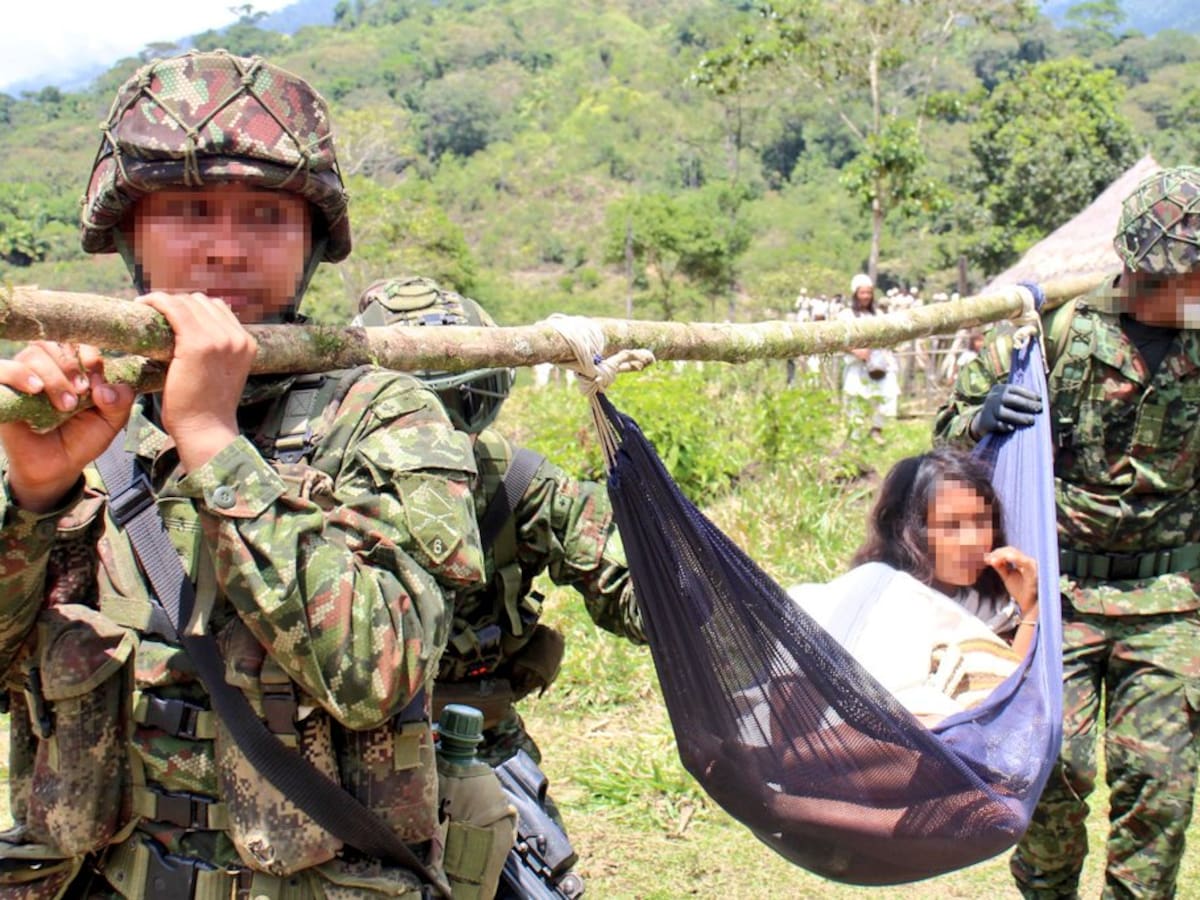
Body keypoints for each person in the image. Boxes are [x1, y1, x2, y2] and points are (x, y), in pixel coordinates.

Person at [0, 51, 493, 899]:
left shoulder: (384, 416)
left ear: (310, 244)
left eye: (266, 217)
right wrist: (36, 498)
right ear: (129, 233)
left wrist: (209, 439)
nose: (225, 250)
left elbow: (380, 674)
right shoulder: (80, 407)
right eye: (188, 211)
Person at [933, 165, 1200, 899]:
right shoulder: (1051, 337)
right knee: (1050, 773)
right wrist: (981, 420)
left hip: (1171, 600)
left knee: (1160, 788)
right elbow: (946, 437)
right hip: (1057, 597)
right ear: (1152, 270)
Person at [355, 275, 646, 774]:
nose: (445, 429)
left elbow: (630, 586)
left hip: (480, 741)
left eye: (468, 398)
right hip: (349, 750)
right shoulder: (326, 481)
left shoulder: (516, 483)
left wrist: (704, 598)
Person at [789, 447, 1038, 724]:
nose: (974, 540)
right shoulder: (885, 594)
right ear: (907, 531)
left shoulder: (987, 607)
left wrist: (1030, 610)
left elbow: (1006, 696)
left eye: (982, 521)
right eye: (951, 526)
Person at [839, 274, 901, 443]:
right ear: (855, 294)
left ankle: (876, 430)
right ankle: (855, 436)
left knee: (888, 393)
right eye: (862, 293)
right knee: (855, 398)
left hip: (877, 362)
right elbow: (838, 340)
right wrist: (855, 351)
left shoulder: (878, 314)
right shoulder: (846, 315)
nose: (866, 296)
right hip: (857, 364)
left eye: (869, 293)